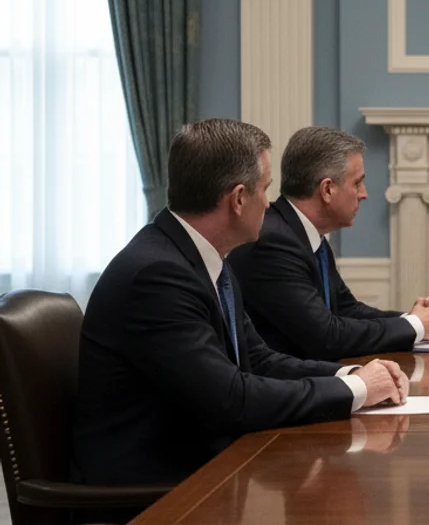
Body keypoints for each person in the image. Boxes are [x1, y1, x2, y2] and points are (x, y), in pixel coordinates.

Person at [72, 119, 408, 492]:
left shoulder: (203, 258)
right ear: (237, 199)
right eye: (265, 189)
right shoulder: (157, 276)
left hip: (208, 464)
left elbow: (260, 360)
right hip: (157, 488)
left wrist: (349, 376)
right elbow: (231, 400)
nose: (270, 202)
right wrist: (357, 391)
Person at [227, 126, 429, 361]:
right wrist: (418, 325)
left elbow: (347, 309)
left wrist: (416, 319)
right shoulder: (273, 244)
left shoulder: (304, 235)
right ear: (327, 189)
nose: (364, 194)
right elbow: (327, 338)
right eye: (357, 183)